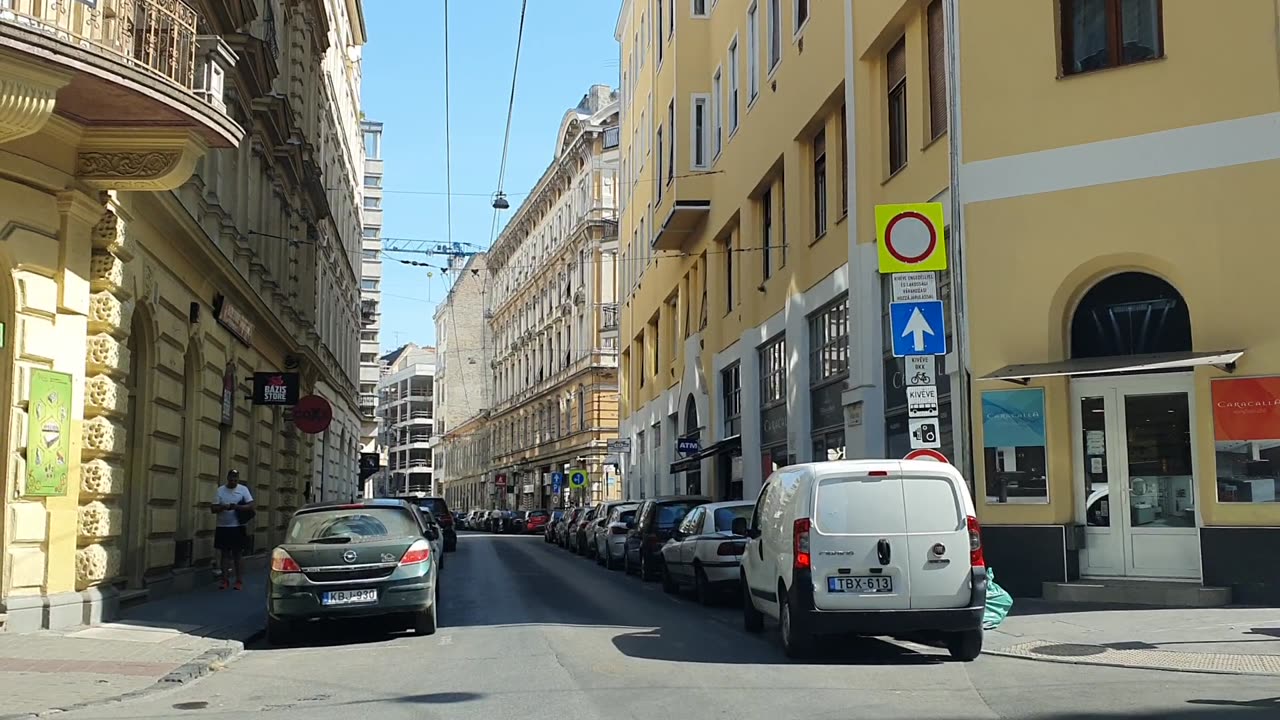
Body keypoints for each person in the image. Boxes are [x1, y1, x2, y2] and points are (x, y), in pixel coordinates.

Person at [212, 469, 254, 590]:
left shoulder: (243, 490)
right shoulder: (220, 490)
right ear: (227, 478)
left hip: (238, 526)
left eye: (235, 479)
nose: (233, 481)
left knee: (237, 555)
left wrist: (237, 507)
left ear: (238, 479)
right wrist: (222, 507)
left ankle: (239, 580)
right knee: (224, 554)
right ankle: (224, 580)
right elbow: (213, 508)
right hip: (223, 526)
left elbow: (251, 505)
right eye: (231, 479)